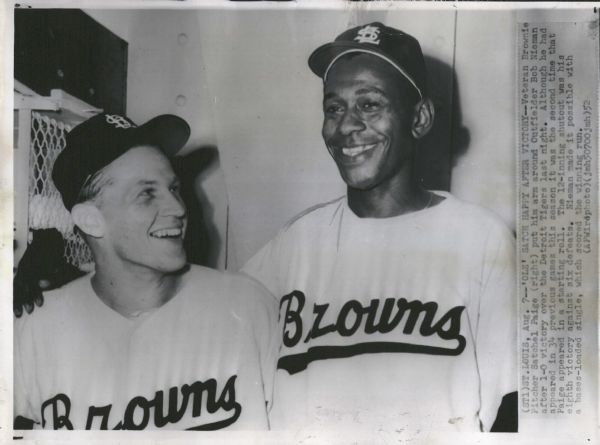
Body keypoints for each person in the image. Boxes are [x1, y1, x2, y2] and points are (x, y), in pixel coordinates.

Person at [242, 22, 517, 432]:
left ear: (420, 118)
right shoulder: (295, 243)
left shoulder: (480, 238)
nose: (346, 125)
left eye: (369, 105)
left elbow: (512, 409)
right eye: (334, 108)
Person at [14, 113, 278, 430]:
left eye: (174, 188)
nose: (179, 209)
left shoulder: (248, 306)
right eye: (147, 194)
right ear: (91, 220)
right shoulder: (33, 330)